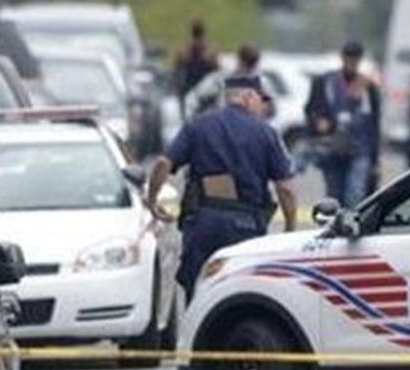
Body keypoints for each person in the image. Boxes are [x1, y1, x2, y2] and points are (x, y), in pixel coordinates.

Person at [146, 74, 297, 301]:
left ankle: (198, 334)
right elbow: (286, 189)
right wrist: (290, 226)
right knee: (242, 293)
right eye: (260, 99)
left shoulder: (197, 125)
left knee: (197, 290)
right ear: (247, 97)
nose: (263, 106)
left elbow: (162, 163)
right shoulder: (266, 133)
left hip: (202, 223)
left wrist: (152, 199)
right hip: (245, 227)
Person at [305, 41, 380, 206]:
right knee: (334, 194)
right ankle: (335, 228)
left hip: (359, 148)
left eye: (355, 60)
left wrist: (375, 159)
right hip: (332, 147)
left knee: (355, 194)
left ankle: (351, 228)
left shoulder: (368, 87)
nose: (352, 64)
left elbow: (374, 124)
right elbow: (310, 109)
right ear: (342, 58)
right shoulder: (325, 82)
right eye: (349, 59)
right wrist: (318, 122)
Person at [172, 20, 219, 108]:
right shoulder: (211, 51)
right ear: (204, 33)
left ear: (191, 32)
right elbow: (217, 71)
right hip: (206, 92)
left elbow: (176, 72)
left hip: (190, 90)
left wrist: (177, 90)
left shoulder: (184, 51)